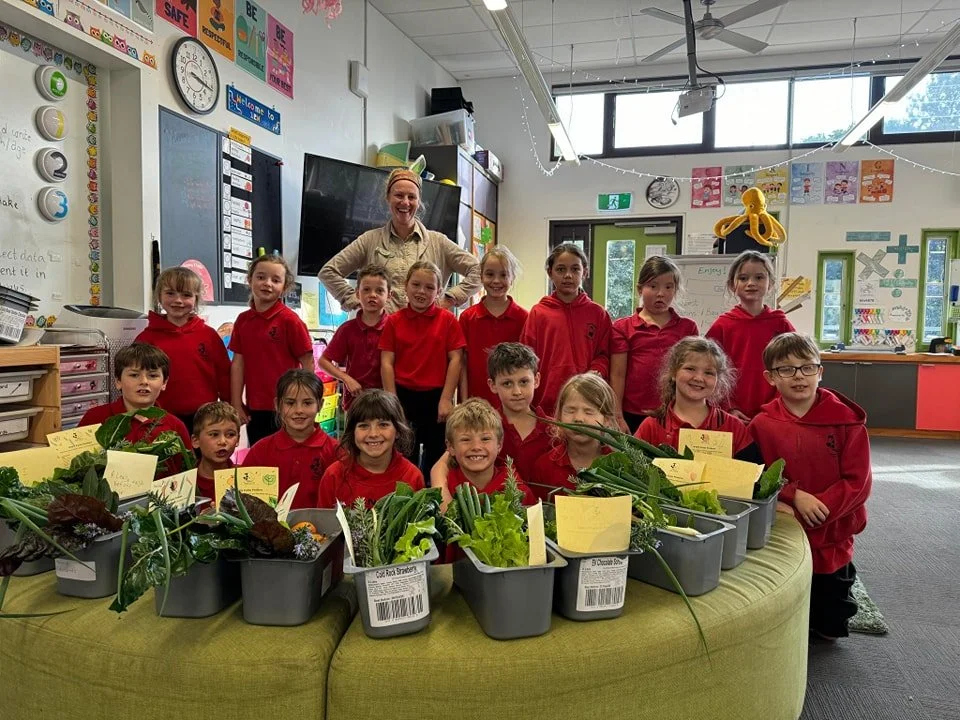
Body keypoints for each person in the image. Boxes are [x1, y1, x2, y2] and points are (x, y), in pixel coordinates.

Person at [749, 333, 871, 640]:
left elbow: (858, 481)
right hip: (788, 525)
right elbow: (758, 473)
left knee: (830, 619)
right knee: (788, 600)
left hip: (833, 531)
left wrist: (823, 507)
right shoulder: (761, 424)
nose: (798, 376)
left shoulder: (846, 422)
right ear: (771, 377)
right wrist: (794, 495)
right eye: (786, 369)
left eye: (807, 367)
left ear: (820, 371)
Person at [318, 168, 481, 313]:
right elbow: (328, 272)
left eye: (412, 197)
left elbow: (479, 271)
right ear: (388, 198)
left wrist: (449, 298)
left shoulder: (439, 242)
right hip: (382, 333)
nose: (405, 202)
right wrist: (356, 300)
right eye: (399, 195)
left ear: (419, 202)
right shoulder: (369, 240)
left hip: (426, 333)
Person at [429, 341, 552, 498]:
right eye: (507, 383)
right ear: (492, 385)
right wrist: (442, 492)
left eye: (523, 382)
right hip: (496, 508)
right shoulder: (484, 426)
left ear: (536, 380)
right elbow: (441, 465)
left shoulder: (554, 430)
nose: (517, 391)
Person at [380, 261, 465, 474]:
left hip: (436, 398)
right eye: (416, 285)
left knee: (436, 458)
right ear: (406, 286)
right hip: (402, 397)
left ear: (439, 291)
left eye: (429, 287)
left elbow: (456, 360)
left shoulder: (448, 320)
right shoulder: (394, 321)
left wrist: (446, 399)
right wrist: (392, 401)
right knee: (402, 458)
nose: (421, 291)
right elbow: (387, 362)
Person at [230, 254, 314, 446]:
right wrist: (236, 402)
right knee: (260, 456)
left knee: (288, 455)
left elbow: (308, 363)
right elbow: (238, 364)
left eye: (275, 280)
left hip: (288, 406)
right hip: (256, 407)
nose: (267, 283)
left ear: (284, 287)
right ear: (249, 279)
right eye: (261, 277)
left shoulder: (290, 321)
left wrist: (306, 401)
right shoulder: (243, 321)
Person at [519, 243, 612, 416]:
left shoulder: (598, 314)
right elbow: (526, 359)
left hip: (587, 402)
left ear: (585, 272)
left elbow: (604, 355)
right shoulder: (538, 313)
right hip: (545, 405)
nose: (568, 275)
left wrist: (596, 371)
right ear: (550, 273)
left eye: (575, 269)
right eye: (561, 269)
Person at [135, 267, 231, 431]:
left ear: (196, 298)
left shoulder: (209, 335)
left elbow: (224, 375)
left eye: (186, 295)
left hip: (204, 418)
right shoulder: (146, 339)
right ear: (159, 296)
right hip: (161, 418)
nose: (178, 300)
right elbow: (135, 378)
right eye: (170, 293)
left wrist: (230, 406)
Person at [610, 256, 698, 433]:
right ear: (640, 289)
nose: (661, 293)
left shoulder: (687, 328)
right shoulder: (622, 327)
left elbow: (692, 373)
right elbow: (617, 375)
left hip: (675, 413)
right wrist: (617, 415)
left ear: (675, 290)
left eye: (668, 287)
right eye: (653, 286)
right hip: (632, 414)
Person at [635, 337, 759, 461]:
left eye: (709, 373)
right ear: (673, 372)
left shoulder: (734, 427)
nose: (699, 378)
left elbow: (754, 471)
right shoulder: (651, 427)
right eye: (690, 369)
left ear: (718, 380)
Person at [706, 251, 794, 420]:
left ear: (770, 283)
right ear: (732, 285)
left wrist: (775, 407)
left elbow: (793, 368)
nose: (751, 283)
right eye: (743, 278)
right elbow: (710, 370)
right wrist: (728, 407)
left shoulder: (781, 324)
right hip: (731, 414)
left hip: (775, 413)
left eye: (759, 277)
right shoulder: (722, 326)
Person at [78, 343, 192, 475]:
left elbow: (187, 473)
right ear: (118, 381)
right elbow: (76, 467)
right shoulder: (94, 418)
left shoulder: (175, 426)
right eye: (134, 375)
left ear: (164, 383)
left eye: (152, 376)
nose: (144, 381)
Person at [242, 369, 338, 510]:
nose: (299, 410)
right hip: (269, 524)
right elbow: (243, 498)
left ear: (320, 405)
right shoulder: (260, 451)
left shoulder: (335, 451)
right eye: (290, 403)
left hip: (321, 524)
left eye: (307, 403)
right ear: (277, 405)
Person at [316, 389, 424, 509]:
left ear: (398, 431)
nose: (373, 434)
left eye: (383, 425)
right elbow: (322, 519)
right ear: (352, 432)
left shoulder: (412, 477)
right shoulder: (334, 476)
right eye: (364, 426)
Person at [458, 247, 528, 406]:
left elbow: (527, 368)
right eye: (490, 274)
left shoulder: (524, 318)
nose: (496, 281)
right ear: (481, 276)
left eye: (503, 275)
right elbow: (462, 364)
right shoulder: (467, 318)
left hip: (512, 404)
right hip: (476, 404)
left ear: (512, 278)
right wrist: (464, 402)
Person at [529, 373, 616, 500]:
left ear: (606, 419)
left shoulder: (618, 467)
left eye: (588, 412)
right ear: (559, 416)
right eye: (570, 410)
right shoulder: (544, 466)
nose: (578, 418)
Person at [317, 264, 391, 410]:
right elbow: (323, 361)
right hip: (355, 402)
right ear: (357, 293)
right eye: (366, 289)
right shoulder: (347, 329)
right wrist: (346, 379)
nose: (372, 295)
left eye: (379, 290)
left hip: (387, 402)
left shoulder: (394, 327)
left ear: (389, 295)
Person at [443, 398, 536, 506]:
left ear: (499, 445)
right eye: (466, 440)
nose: (476, 447)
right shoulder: (443, 490)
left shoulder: (520, 493)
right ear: (451, 447)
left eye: (485, 439)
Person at [191, 402, 241, 501]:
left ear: (238, 440)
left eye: (230, 435)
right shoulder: (185, 482)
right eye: (214, 434)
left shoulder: (246, 478)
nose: (222, 441)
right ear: (196, 441)